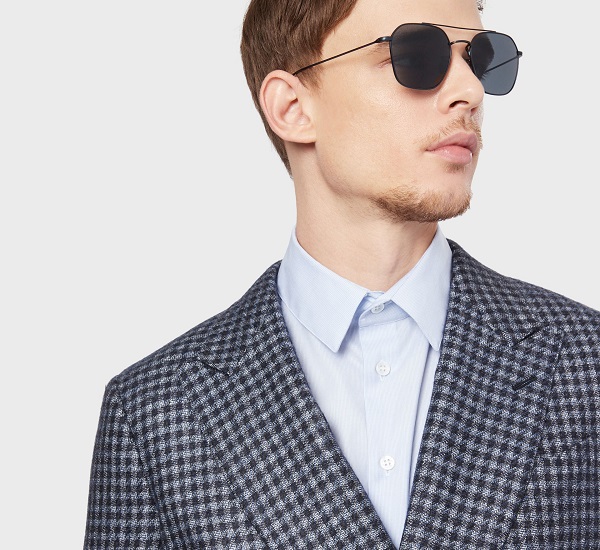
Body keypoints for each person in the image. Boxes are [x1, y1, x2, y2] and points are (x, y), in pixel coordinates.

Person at [84, 0, 600, 547]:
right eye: (416, 55)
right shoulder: (158, 410)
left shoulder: (584, 366)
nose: (469, 91)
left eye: (480, 58)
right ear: (292, 107)